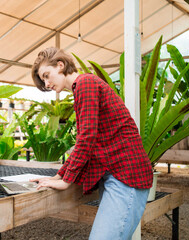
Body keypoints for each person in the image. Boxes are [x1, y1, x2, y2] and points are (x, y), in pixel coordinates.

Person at [30, 47, 153, 239]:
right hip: (118, 175)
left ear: (60, 65)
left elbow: (87, 138)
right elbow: (87, 141)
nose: (46, 83)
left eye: (47, 75)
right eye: (43, 80)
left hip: (126, 177)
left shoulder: (85, 84)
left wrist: (66, 180)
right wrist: (58, 176)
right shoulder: (83, 87)